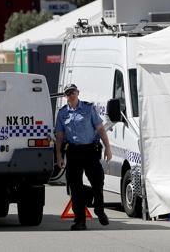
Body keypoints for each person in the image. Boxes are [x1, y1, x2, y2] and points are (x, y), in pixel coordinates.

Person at [55, 83, 112, 231]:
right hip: (73, 152)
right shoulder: (62, 113)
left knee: (98, 182)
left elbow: (100, 129)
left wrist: (108, 147)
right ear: (65, 96)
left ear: (78, 93)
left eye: (73, 92)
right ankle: (80, 220)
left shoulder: (88, 108)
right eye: (68, 93)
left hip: (90, 151)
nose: (71, 95)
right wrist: (59, 156)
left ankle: (99, 210)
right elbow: (60, 137)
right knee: (75, 188)